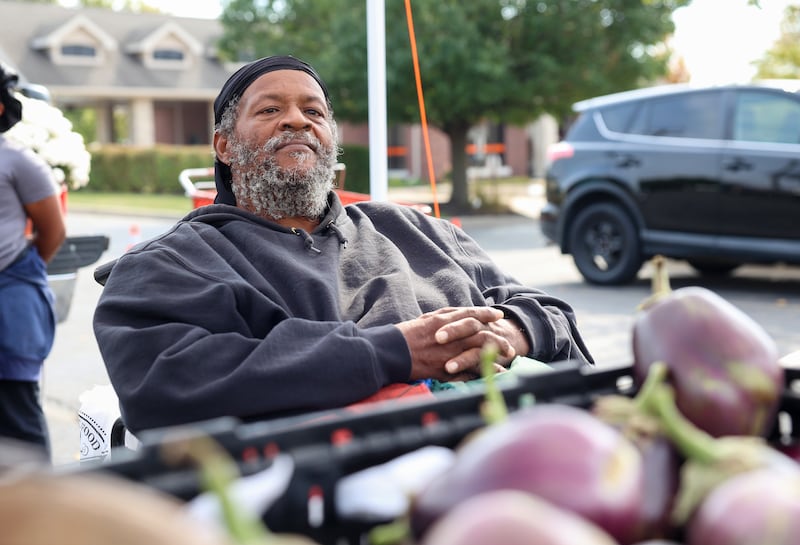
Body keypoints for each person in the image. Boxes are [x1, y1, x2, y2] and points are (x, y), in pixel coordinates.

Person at [93, 55, 593, 435]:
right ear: (224, 146)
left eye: (314, 111)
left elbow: (553, 315)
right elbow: (164, 384)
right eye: (270, 109)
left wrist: (507, 333)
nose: (297, 121)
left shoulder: (413, 228)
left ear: (331, 138)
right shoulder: (171, 264)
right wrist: (394, 352)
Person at [0, 63, 66, 458]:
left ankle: (42, 514)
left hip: (10, 298)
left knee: (16, 414)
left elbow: (52, 231)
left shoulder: (17, 162)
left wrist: (17, 271)